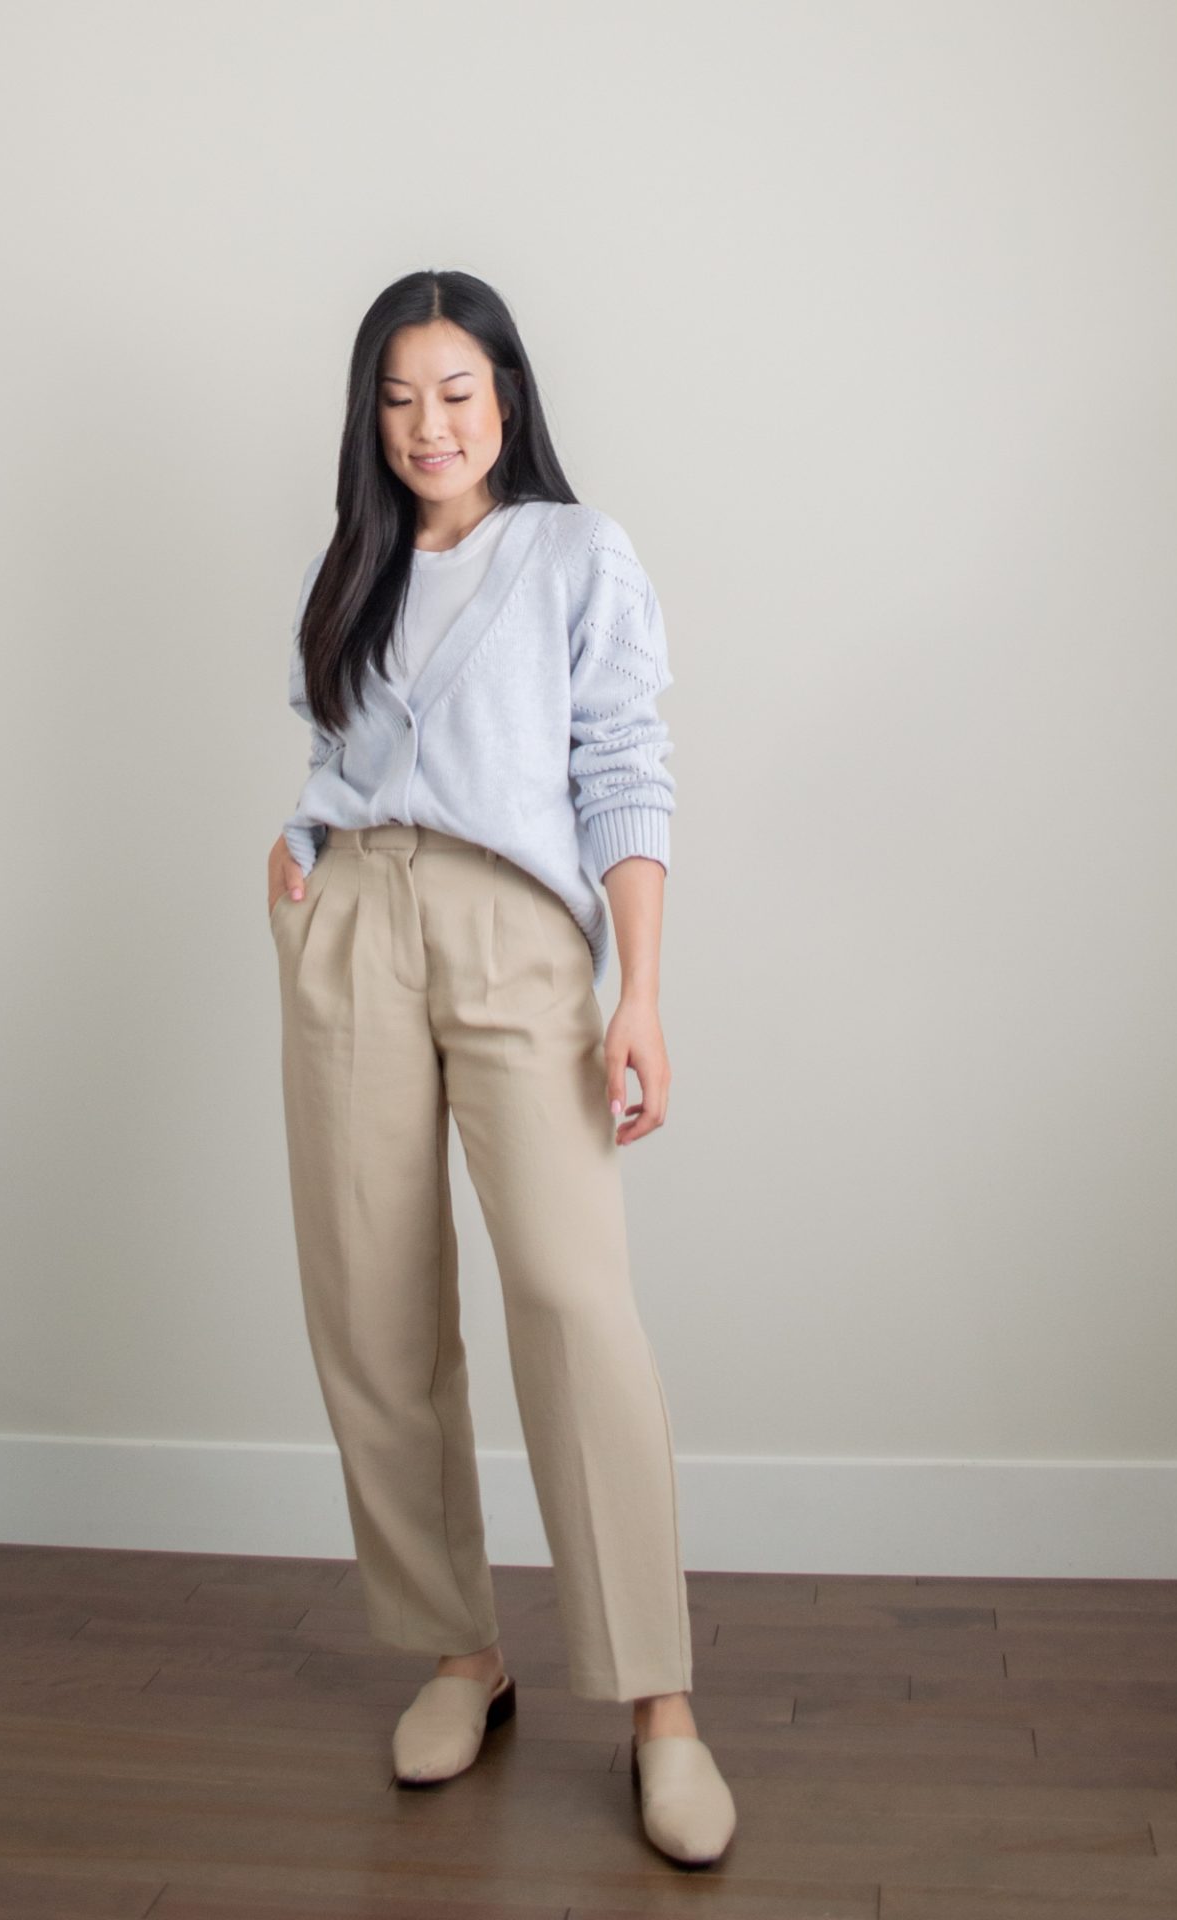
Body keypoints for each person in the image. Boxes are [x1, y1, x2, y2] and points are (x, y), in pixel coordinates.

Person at [266, 268, 736, 1868]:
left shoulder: (574, 554)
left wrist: (642, 989)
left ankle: (659, 1704)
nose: (427, 426)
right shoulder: (359, 565)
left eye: (456, 392)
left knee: (567, 1295)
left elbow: (622, 766)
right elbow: (343, 749)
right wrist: (301, 847)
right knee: (371, 1305)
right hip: (352, 929)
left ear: (508, 400)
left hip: (516, 939)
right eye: (397, 399)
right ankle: (463, 1653)